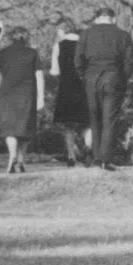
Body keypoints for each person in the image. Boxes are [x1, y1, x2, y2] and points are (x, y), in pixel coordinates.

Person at [0, 26, 44, 174]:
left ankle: (12, 156)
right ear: (25, 38)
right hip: (27, 95)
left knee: (10, 129)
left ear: (11, 38)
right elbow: (39, 76)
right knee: (25, 129)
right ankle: (21, 160)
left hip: (8, 95)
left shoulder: (3, 53)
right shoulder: (32, 53)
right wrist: (41, 98)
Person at [74, 7, 133, 171]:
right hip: (113, 76)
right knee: (110, 119)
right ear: (113, 18)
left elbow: (78, 60)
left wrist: (84, 76)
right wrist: (122, 79)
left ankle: (96, 158)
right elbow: (130, 61)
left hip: (91, 77)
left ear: (97, 18)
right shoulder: (123, 35)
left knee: (94, 118)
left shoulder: (86, 34)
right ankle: (105, 159)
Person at [48, 20, 92, 166]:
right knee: (87, 123)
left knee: (69, 125)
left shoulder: (58, 46)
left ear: (63, 31)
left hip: (66, 87)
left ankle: (71, 156)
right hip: (84, 87)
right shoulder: (86, 45)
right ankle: (88, 149)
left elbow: (55, 71)